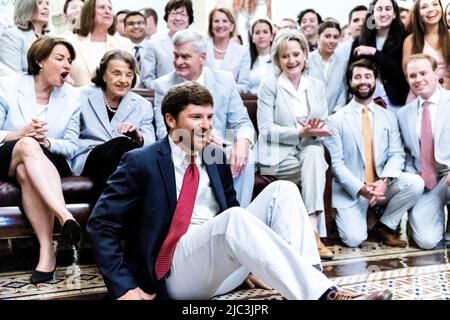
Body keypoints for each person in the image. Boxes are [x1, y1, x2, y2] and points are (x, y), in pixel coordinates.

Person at [87, 81, 393, 301]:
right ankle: (322, 298)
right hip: (176, 273)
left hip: (223, 271)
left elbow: (231, 209)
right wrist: (124, 288)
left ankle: (315, 284)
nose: (206, 125)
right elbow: (101, 224)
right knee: (234, 217)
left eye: (209, 117)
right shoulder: (142, 161)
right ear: (170, 120)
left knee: (283, 189)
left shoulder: (214, 157)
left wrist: (249, 262)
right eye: (196, 118)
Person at [0, 36, 82, 284]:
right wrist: (22, 134)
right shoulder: (7, 86)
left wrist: (46, 142)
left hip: (49, 158)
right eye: (59, 58)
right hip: (8, 151)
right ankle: (64, 215)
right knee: (26, 146)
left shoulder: (72, 96)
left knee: (27, 170)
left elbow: (71, 144)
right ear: (40, 61)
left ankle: (46, 253)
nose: (66, 64)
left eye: (69, 60)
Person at [324, 59, 423, 248]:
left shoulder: (389, 116)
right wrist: (360, 188)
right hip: (352, 191)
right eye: (358, 77)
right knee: (353, 239)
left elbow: (397, 154)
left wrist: (384, 181)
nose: (363, 81)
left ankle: (385, 225)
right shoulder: (335, 120)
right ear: (350, 82)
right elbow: (336, 165)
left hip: (380, 188)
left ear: (375, 80)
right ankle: (361, 217)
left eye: (368, 76)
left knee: (415, 183)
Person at [153, 29, 255, 208]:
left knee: (246, 156)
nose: (178, 62)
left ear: (202, 57)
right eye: (176, 56)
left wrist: (243, 141)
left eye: (185, 57)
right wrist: (197, 139)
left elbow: (242, 122)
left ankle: (237, 217)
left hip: (220, 147)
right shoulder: (163, 85)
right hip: (183, 148)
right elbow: (163, 129)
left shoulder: (225, 80)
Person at [257, 29, 332, 260]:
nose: (292, 60)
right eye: (285, 56)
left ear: (305, 56)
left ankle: (312, 230)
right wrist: (299, 132)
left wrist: (316, 130)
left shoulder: (316, 84)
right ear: (278, 60)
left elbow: (326, 120)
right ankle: (314, 235)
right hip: (277, 158)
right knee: (315, 163)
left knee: (313, 154)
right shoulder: (269, 85)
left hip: (308, 150)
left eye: (296, 54)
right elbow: (266, 130)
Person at [71, 50, 155, 197]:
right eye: (116, 73)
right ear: (103, 75)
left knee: (125, 149)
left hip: (124, 160)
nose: (123, 80)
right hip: (90, 157)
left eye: (129, 75)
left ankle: (108, 214)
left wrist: (137, 137)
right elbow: (70, 134)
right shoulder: (80, 96)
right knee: (121, 145)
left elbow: (150, 145)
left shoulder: (143, 105)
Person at [397, 53, 450, 250]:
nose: (418, 79)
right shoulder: (403, 114)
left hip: (449, 174)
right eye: (412, 76)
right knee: (427, 241)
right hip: (427, 181)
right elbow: (407, 154)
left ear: (436, 73)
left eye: (423, 73)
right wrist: (415, 179)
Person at [349, 0, 410, 110]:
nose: (383, 14)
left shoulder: (405, 38)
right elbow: (350, 73)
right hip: (367, 101)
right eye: (379, 9)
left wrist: (374, 52)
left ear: (395, 14)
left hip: (397, 102)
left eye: (387, 9)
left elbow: (402, 71)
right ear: (372, 13)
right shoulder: (360, 40)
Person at [67, 0, 133, 87]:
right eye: (102, 7)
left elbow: (134, 75)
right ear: (89, 12)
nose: (107, 11)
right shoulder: (70, 42)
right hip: (77, 98)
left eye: (110, 8)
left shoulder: (124, 43)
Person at [140, 0, 193, 89]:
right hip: (163, 97)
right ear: (167, 18)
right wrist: (164, 89)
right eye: (174, 13)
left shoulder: (197, 44)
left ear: (189, 19)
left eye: (182, 14)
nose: (178, 18)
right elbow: (147, 79)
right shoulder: (153, 44)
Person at [402, 0, 450, 92]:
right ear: (418, 13)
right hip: (420, 95)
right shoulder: (410, 41)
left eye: (435, 4)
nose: (431, 9)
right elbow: (407, 75)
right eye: (424, 7)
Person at [205, 7, 251, 93]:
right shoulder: (201, 48)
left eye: (225, 21)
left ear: (232, 27)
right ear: (211, 26)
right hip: (202, 102)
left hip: (230, 103)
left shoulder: (242, 52)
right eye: (216, 21)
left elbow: (244, 86)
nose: (220, 25)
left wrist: (221, 89)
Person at [307, 21, 348, 113]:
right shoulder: (307, 60)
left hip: (335, 115)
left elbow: (344, 90)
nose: (332, 41)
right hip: (310, 115)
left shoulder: (343, 63)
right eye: (327, 36)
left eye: (335, 37)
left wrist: (338, 110)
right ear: (318, 37)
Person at [0, 0, 50, 74]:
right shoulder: (11, 36)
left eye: (47, 3)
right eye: (39, 3)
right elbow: (13, 77)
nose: (46, 7)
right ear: (26, 7)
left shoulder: (51, 36)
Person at [248, 18, 276, 94]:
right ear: (252, 38)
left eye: (265, 32)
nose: (261, 36)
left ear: (271, 36)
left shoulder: (278, 59)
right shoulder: (246, 60)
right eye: (257, 33)